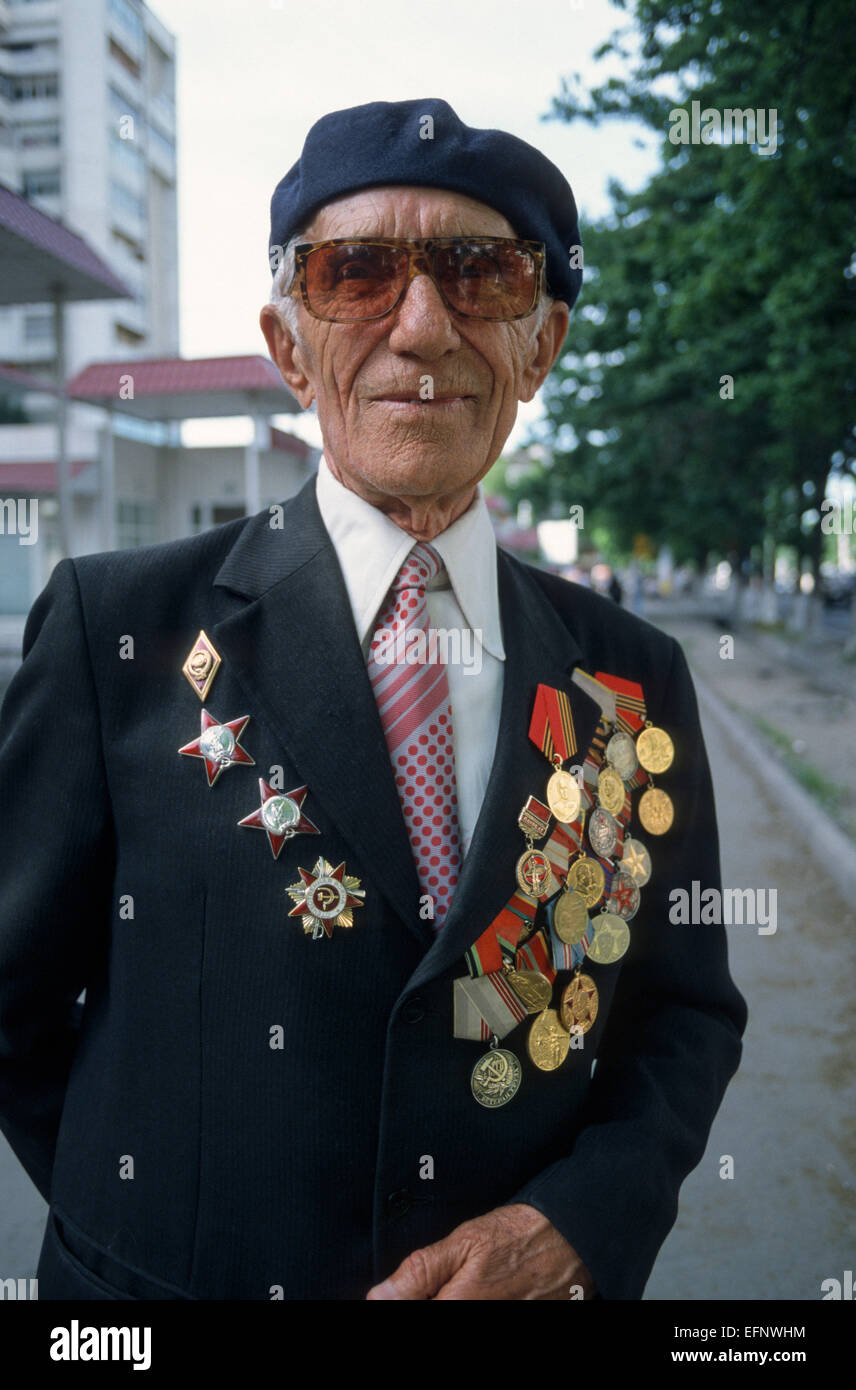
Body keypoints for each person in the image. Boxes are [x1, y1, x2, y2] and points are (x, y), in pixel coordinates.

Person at [0, 98, 746, 1301]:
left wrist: (571, 1226)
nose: (422, 328)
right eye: (356, 275)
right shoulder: (116, 631)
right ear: (289, 347)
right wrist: (143, 1241)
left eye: (479, 274)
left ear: (540, 344)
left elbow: (684, 1016)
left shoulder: (632, 675)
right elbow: (12, 1003)